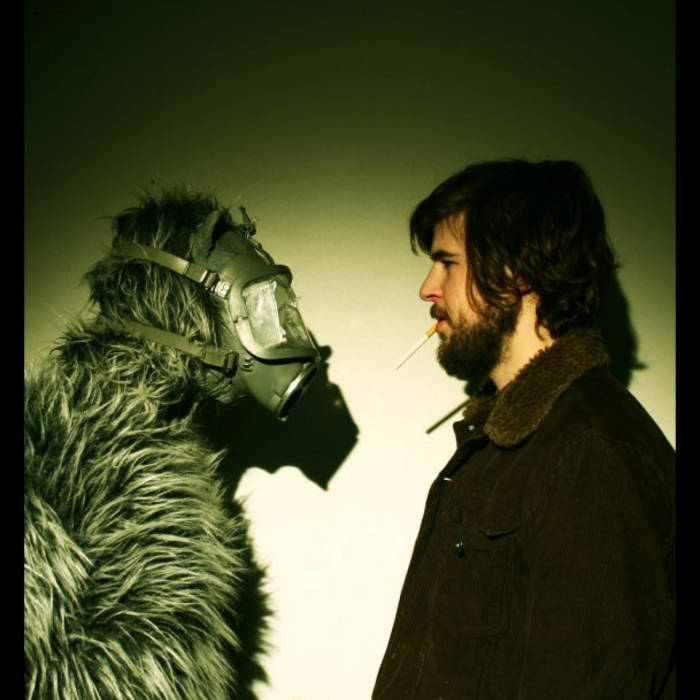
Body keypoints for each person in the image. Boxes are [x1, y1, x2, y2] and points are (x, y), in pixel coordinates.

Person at [373, 160, 675, 699]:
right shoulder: (504, 446)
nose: (427, 288)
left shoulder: (591, 456)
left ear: (517, 275)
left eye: (447, 263)